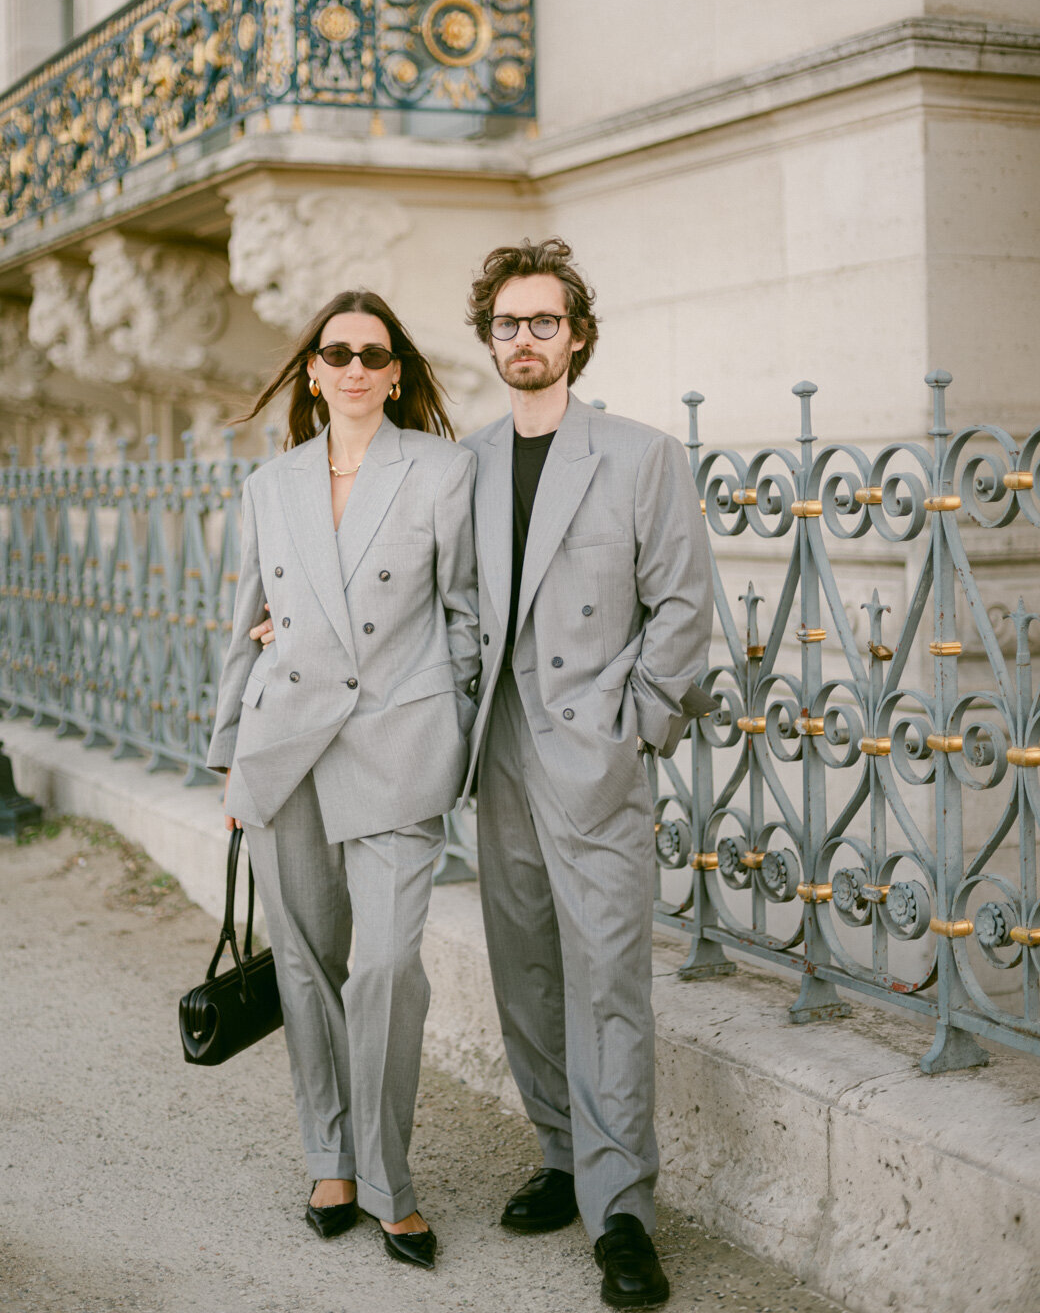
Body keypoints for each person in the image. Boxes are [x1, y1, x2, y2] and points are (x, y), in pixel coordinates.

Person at [461, 238, 714, 1309]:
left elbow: (687, 606)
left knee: (606, 976)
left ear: (577, 336)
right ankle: (563, 1160)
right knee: (523, 965)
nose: (527, 339)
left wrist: (637, 726)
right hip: (499, 746)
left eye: (545, 322)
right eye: (509, 324)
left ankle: (622, 1212)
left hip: (594, 751)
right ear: (489, 339)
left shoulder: (640, 455)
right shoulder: (460, 462)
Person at [207, 289, 479, 1271]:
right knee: (308, 965)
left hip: (398, 745)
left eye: (374, 352)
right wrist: (231, 755)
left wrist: (454, 722)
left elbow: (467, 614)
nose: (356, 366)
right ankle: (330, 1157)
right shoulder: (269, 485)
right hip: (287, 752)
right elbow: (245, 623)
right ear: (314, 370)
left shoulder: (445, 471)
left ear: (396, 370)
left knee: (385, 968)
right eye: (338, 351)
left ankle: (388, 1179)